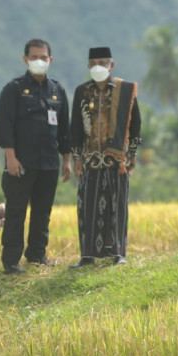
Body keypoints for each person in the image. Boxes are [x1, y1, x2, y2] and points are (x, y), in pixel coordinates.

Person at [0, 38, 72, 274]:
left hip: (48, 164)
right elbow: (4, 127)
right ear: (25, 59)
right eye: (34, 57)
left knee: (42, 212)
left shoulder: (57, 91)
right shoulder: (14, 89)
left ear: (51, 60)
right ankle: (11, 261)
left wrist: (66, 160)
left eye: (43, 57)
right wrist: (11, 157)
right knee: (16, 212)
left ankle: (37, 255)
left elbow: (64, 130)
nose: (39, 61)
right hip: (21, 164)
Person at [69, 47, 142, 267]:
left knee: (117, 205)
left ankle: (118, 252)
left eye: (102, 62)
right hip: (91, 161)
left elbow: (135, 123)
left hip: (117, 160)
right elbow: (75, 128)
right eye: (93, 63)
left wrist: (132, 154)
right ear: (88, 66)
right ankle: (88, 254)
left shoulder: (125, 91)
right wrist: (77, 159)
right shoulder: (82, 92)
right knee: (87, 206)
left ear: (112, 65)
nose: (97, 66)